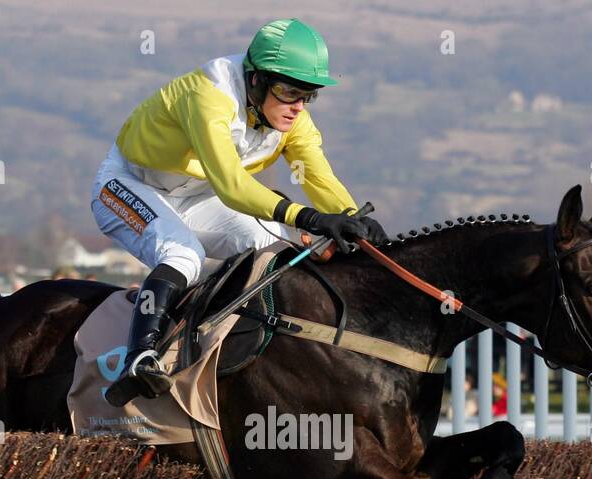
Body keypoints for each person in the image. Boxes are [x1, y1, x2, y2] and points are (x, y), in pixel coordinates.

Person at [91, 18, 387, 407]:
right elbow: (232, 185)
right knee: (183, 255)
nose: (297, 106)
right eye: (288, 91)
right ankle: (140, 357)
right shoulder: (209, 96)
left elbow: (317, 176)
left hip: (197, 195)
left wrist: (349, 218)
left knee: (273, 250)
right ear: (254, 80)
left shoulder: (291, 119)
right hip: (129, 186)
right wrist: (311, 219)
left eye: (307, 95)